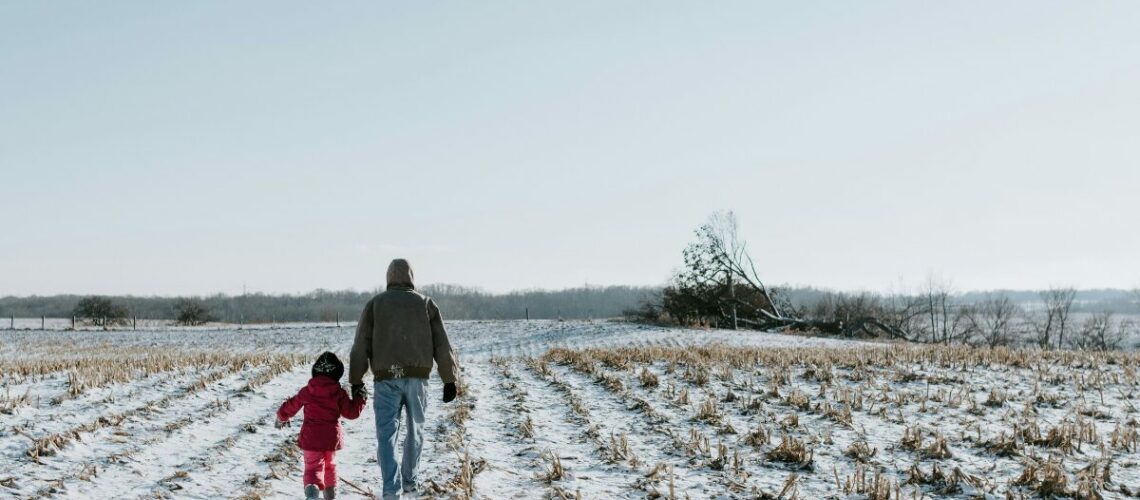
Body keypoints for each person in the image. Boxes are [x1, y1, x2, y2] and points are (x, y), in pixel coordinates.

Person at [350, 258, 460, 499]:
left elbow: (361, 345)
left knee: (386, 434)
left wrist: (356, 380)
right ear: (411, 276)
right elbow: (442, 343)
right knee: (415, 430)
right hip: (418, 380)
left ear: (388, 277)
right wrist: (449, 379)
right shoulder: (426, 304)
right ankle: (409, 481)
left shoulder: (375, 305)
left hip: (385, 379)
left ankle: (391, 489)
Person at [276, 352, 367, 500]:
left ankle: (312, 494)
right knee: (330, 466)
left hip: (311, 438)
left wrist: (281, 416)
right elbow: (351, 413)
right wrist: (360, 397)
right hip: (330, 439)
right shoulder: (338, 393)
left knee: (312, 468)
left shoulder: (307, 391)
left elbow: (292, 405)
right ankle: (329, 496)